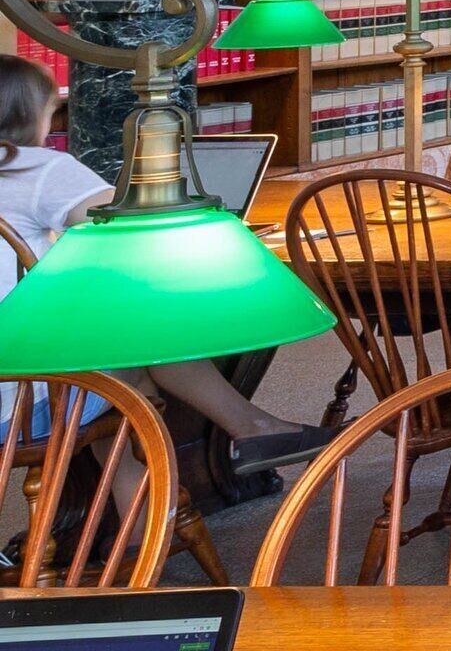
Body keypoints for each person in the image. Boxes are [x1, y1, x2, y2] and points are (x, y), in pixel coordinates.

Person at [0, 58, 334, 467]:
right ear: (26, 115)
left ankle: (136, 514)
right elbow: (128, 225)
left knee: (112, 355)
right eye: (52, 113)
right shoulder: (35, 168)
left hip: (16, 378)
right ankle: (243, 438)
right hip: (17, 404)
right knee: (142, 344)